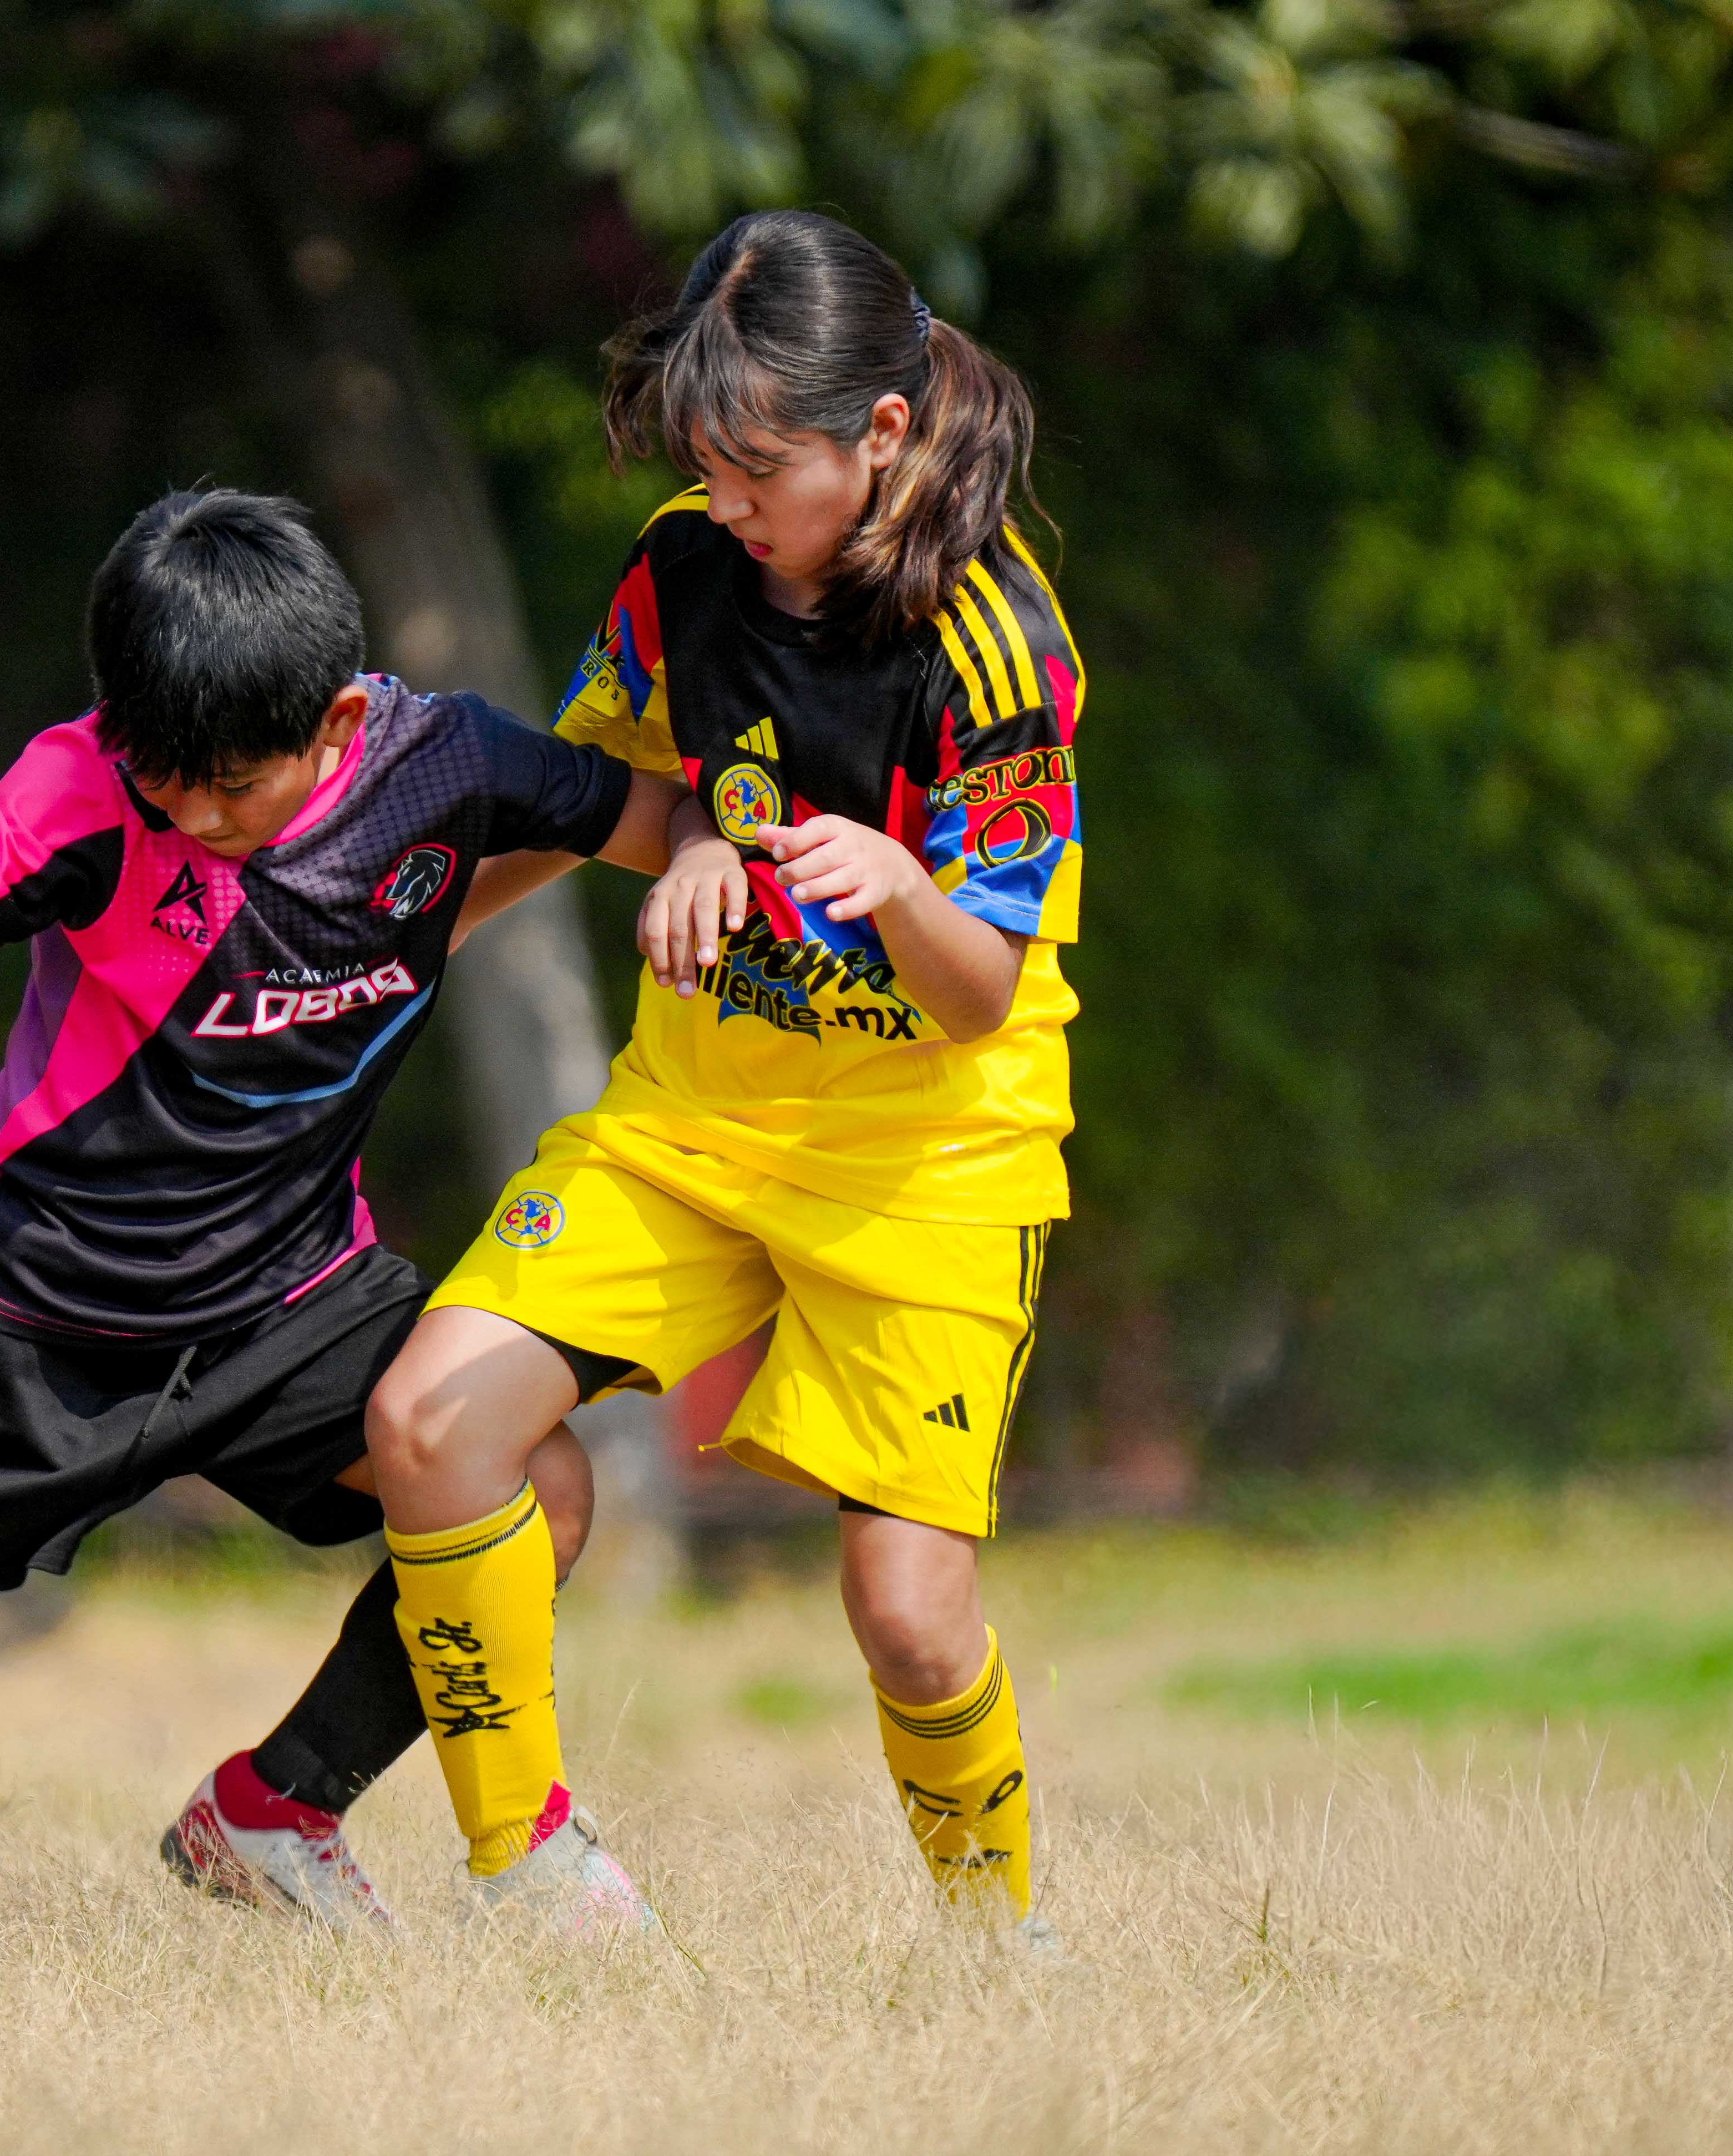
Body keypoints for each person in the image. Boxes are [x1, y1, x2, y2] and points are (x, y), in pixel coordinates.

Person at [0, 488, 686, 1928]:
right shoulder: (86, 786)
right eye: (167, 780)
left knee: (537, 1489)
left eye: (232, 785)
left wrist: (712, 849)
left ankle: (277, 1811)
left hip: (293, 1298)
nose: (194, 817)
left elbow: (649, 815)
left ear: (339, 721)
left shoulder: (440, 762)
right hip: (34, 1314)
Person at [365, 210, 1085, 1936]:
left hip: (930, 1153)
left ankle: (1005, 1942)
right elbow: (605, 791)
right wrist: (404, 943)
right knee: (424, 1424)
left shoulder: (1001, 652)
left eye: (759, 467)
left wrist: (902, 888)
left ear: (883, 438)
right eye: (704, 463)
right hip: (694, 1122)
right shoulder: (678, 574)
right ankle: (527, 1874)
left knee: (908, 1617)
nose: (728, 502)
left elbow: (982, 993)